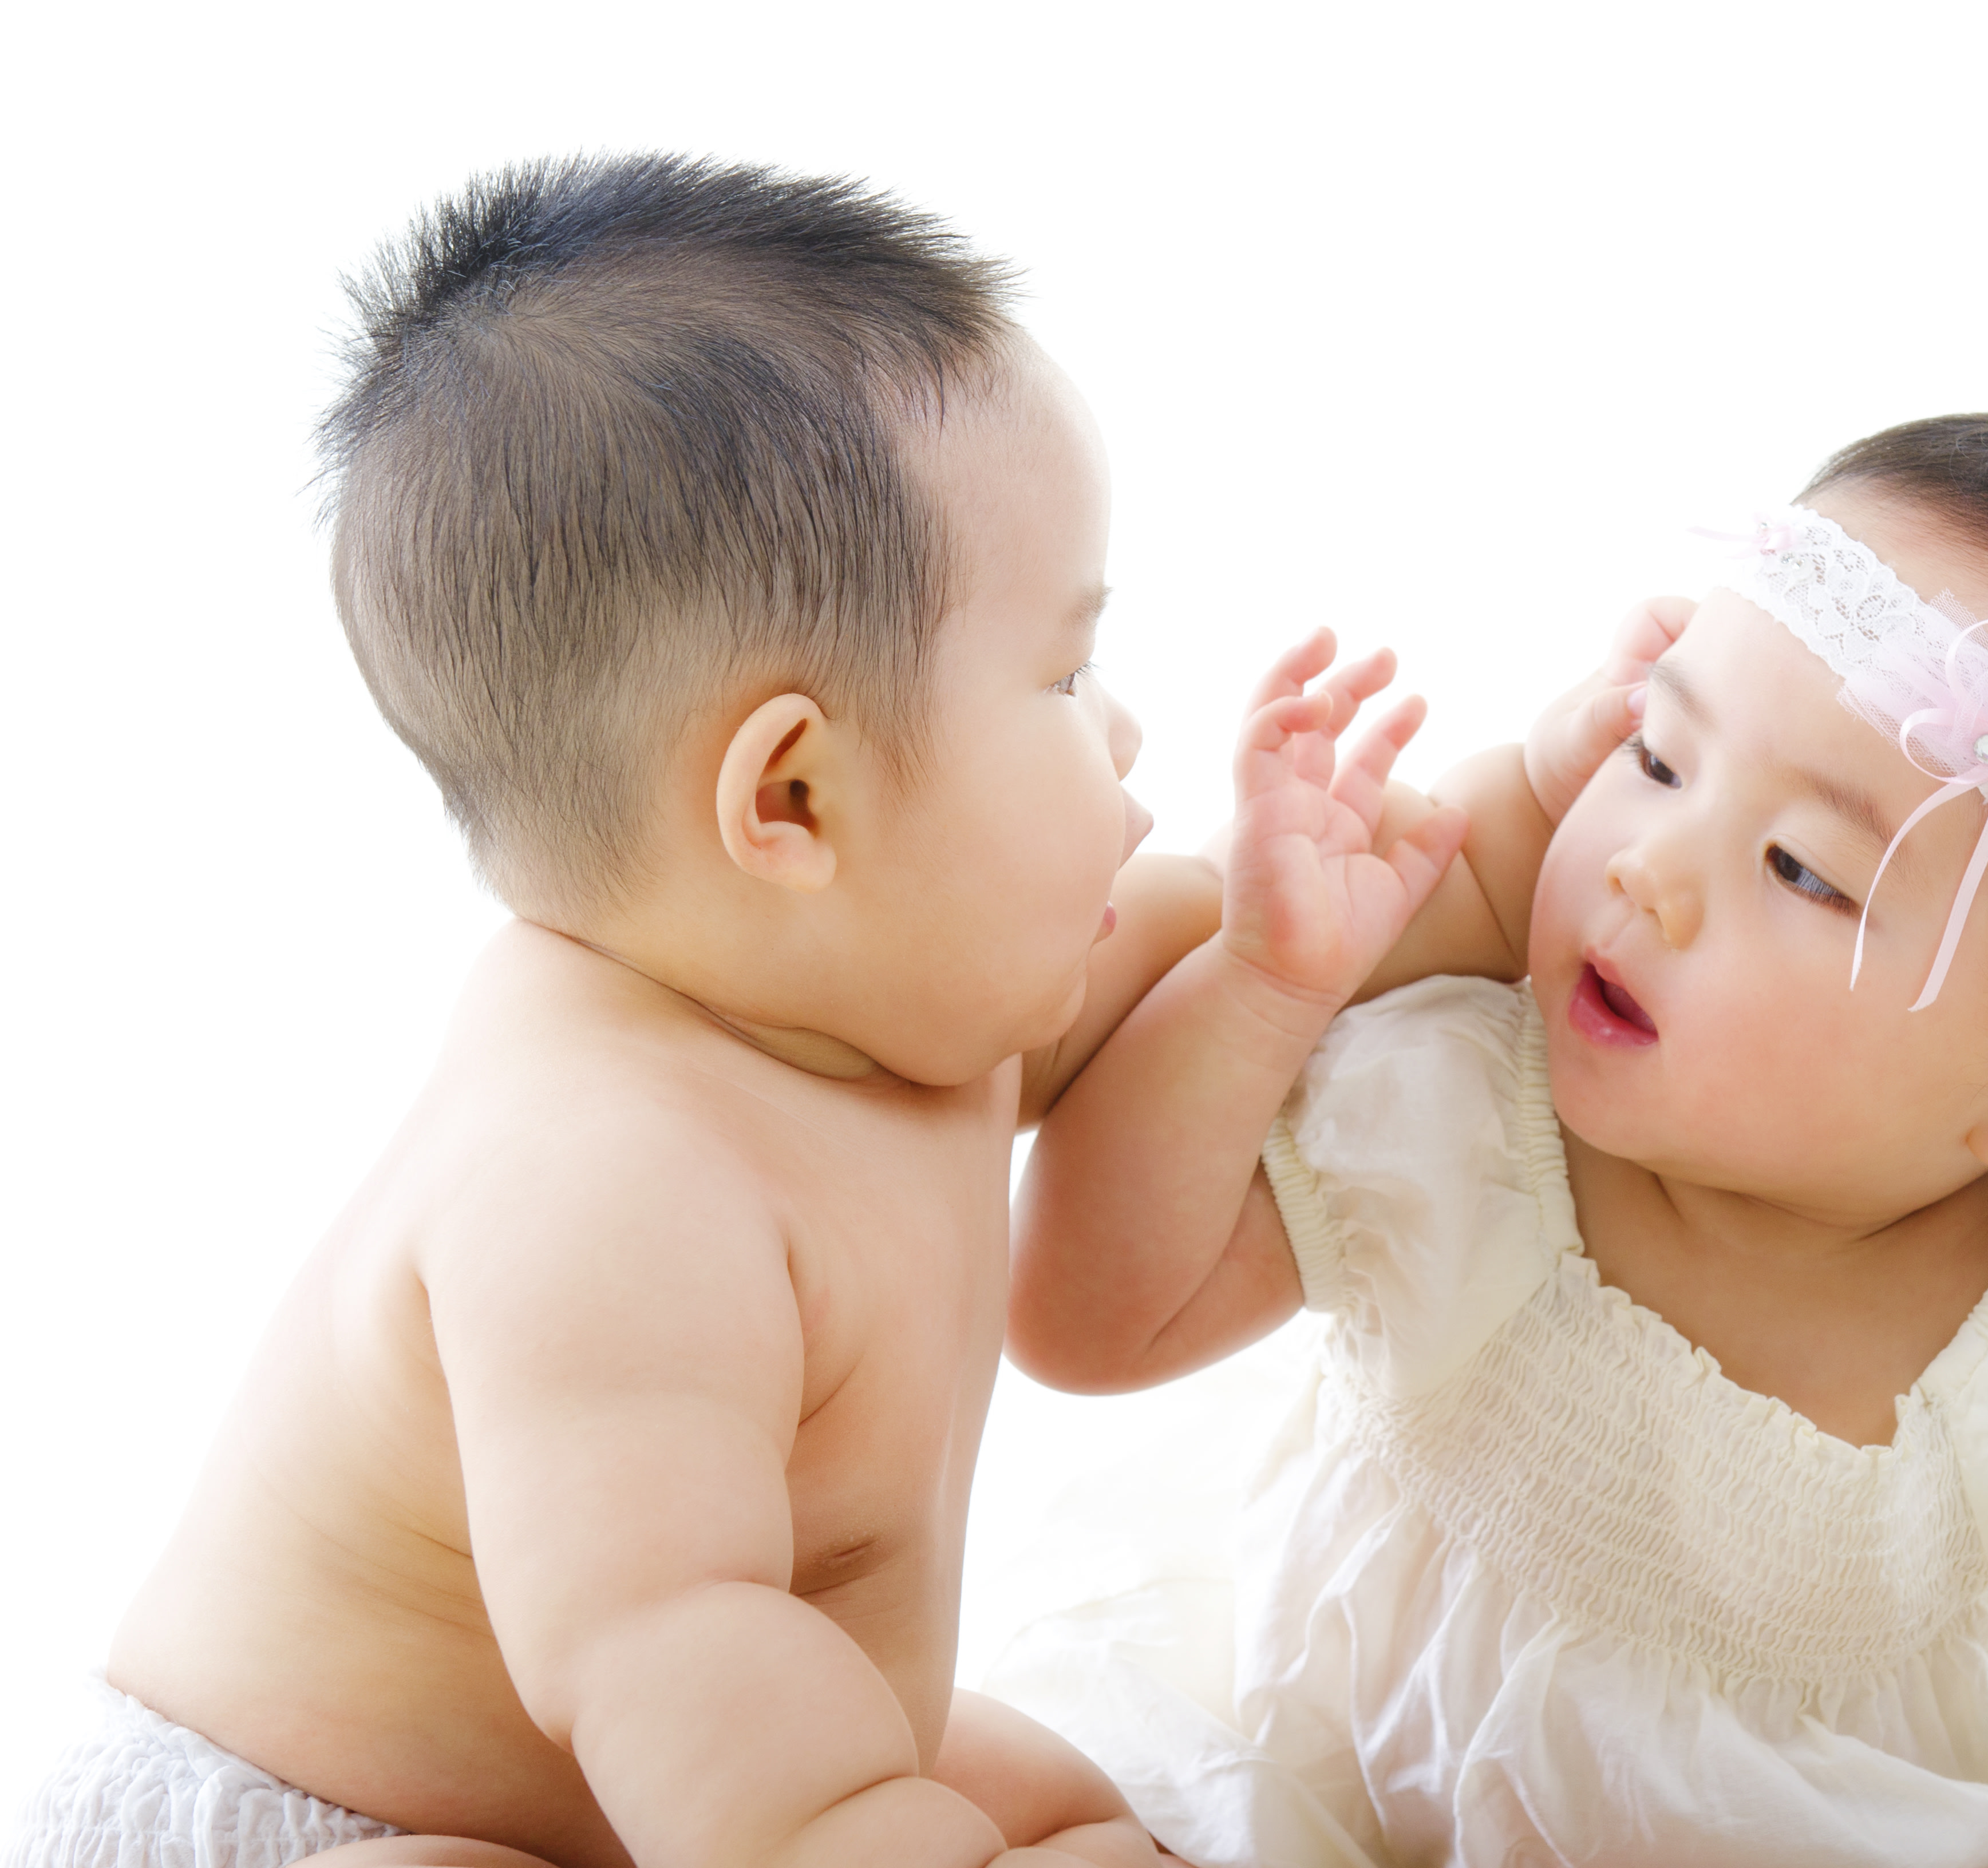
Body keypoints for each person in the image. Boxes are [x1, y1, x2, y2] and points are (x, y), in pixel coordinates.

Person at [7, 153, 1467, 1868]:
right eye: (1063, 678)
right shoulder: (607, 1189)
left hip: (691, 1773)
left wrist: (1277, 959)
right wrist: (863, 1827)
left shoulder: (897, 977)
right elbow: (663, 1643)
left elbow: (1150, 975)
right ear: (793, 802)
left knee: (1093, 1805)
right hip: (328, 1814)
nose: (1128, 733)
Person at [999, 414, 1988, 1866]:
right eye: (1658, 755)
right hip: (1340, 1810)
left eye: (1802, 870)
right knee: (1027, 1817)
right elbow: (1085, 1325)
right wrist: (1264, 987)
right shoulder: (1468, 1112)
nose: (1644, 866)